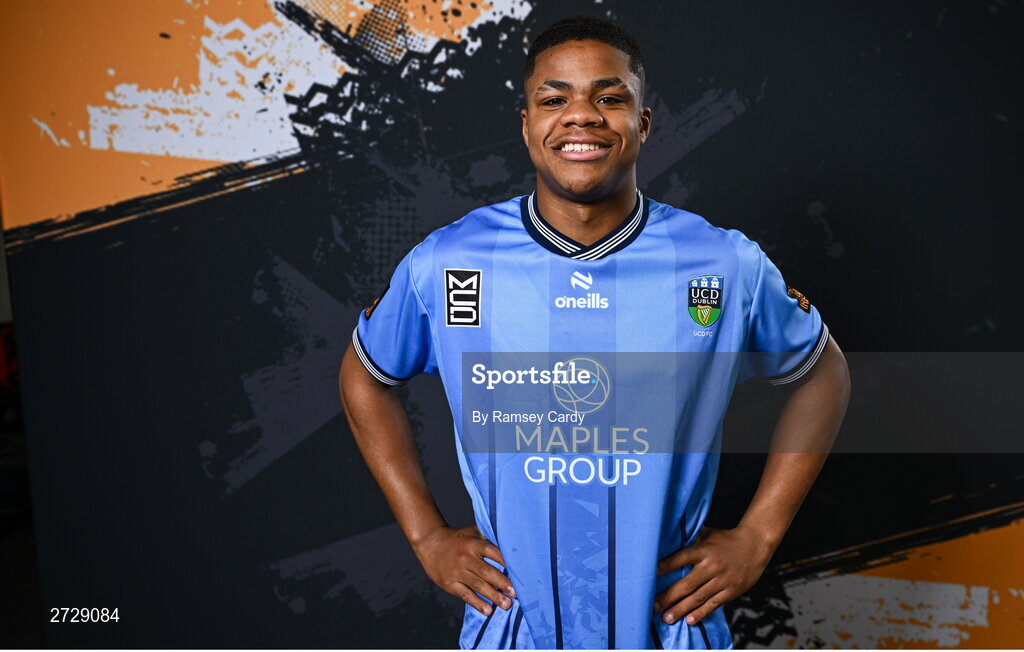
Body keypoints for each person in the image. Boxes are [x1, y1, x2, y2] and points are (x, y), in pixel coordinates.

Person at [339, 14, 850, 650]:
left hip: (670, 624)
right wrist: (426, 534)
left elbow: (822, 374)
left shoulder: (722, 264)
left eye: (609, 98)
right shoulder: (450, 262)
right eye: (554, 100)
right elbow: (365, 374)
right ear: (526, 124)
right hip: (515, 625)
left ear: (644, 122)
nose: (581, 116)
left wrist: (758, 537)